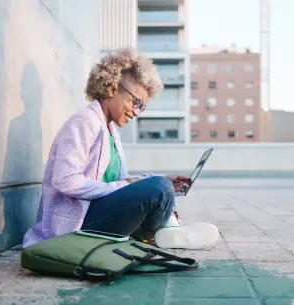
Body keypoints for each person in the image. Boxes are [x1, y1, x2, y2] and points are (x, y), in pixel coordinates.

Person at [23, 48, 219, 249]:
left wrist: (159, 178)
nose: (136, 112)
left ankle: (169, 230)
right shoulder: (84, 122)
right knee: (159, 187)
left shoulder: (111, 131)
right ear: (113, 86)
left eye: (141, 107)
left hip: (95, 214)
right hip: (75, 224)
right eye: (135, 102)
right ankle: (166, 231)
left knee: (161, 185)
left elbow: (122, 182)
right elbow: (64, 180)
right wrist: (143, 185)